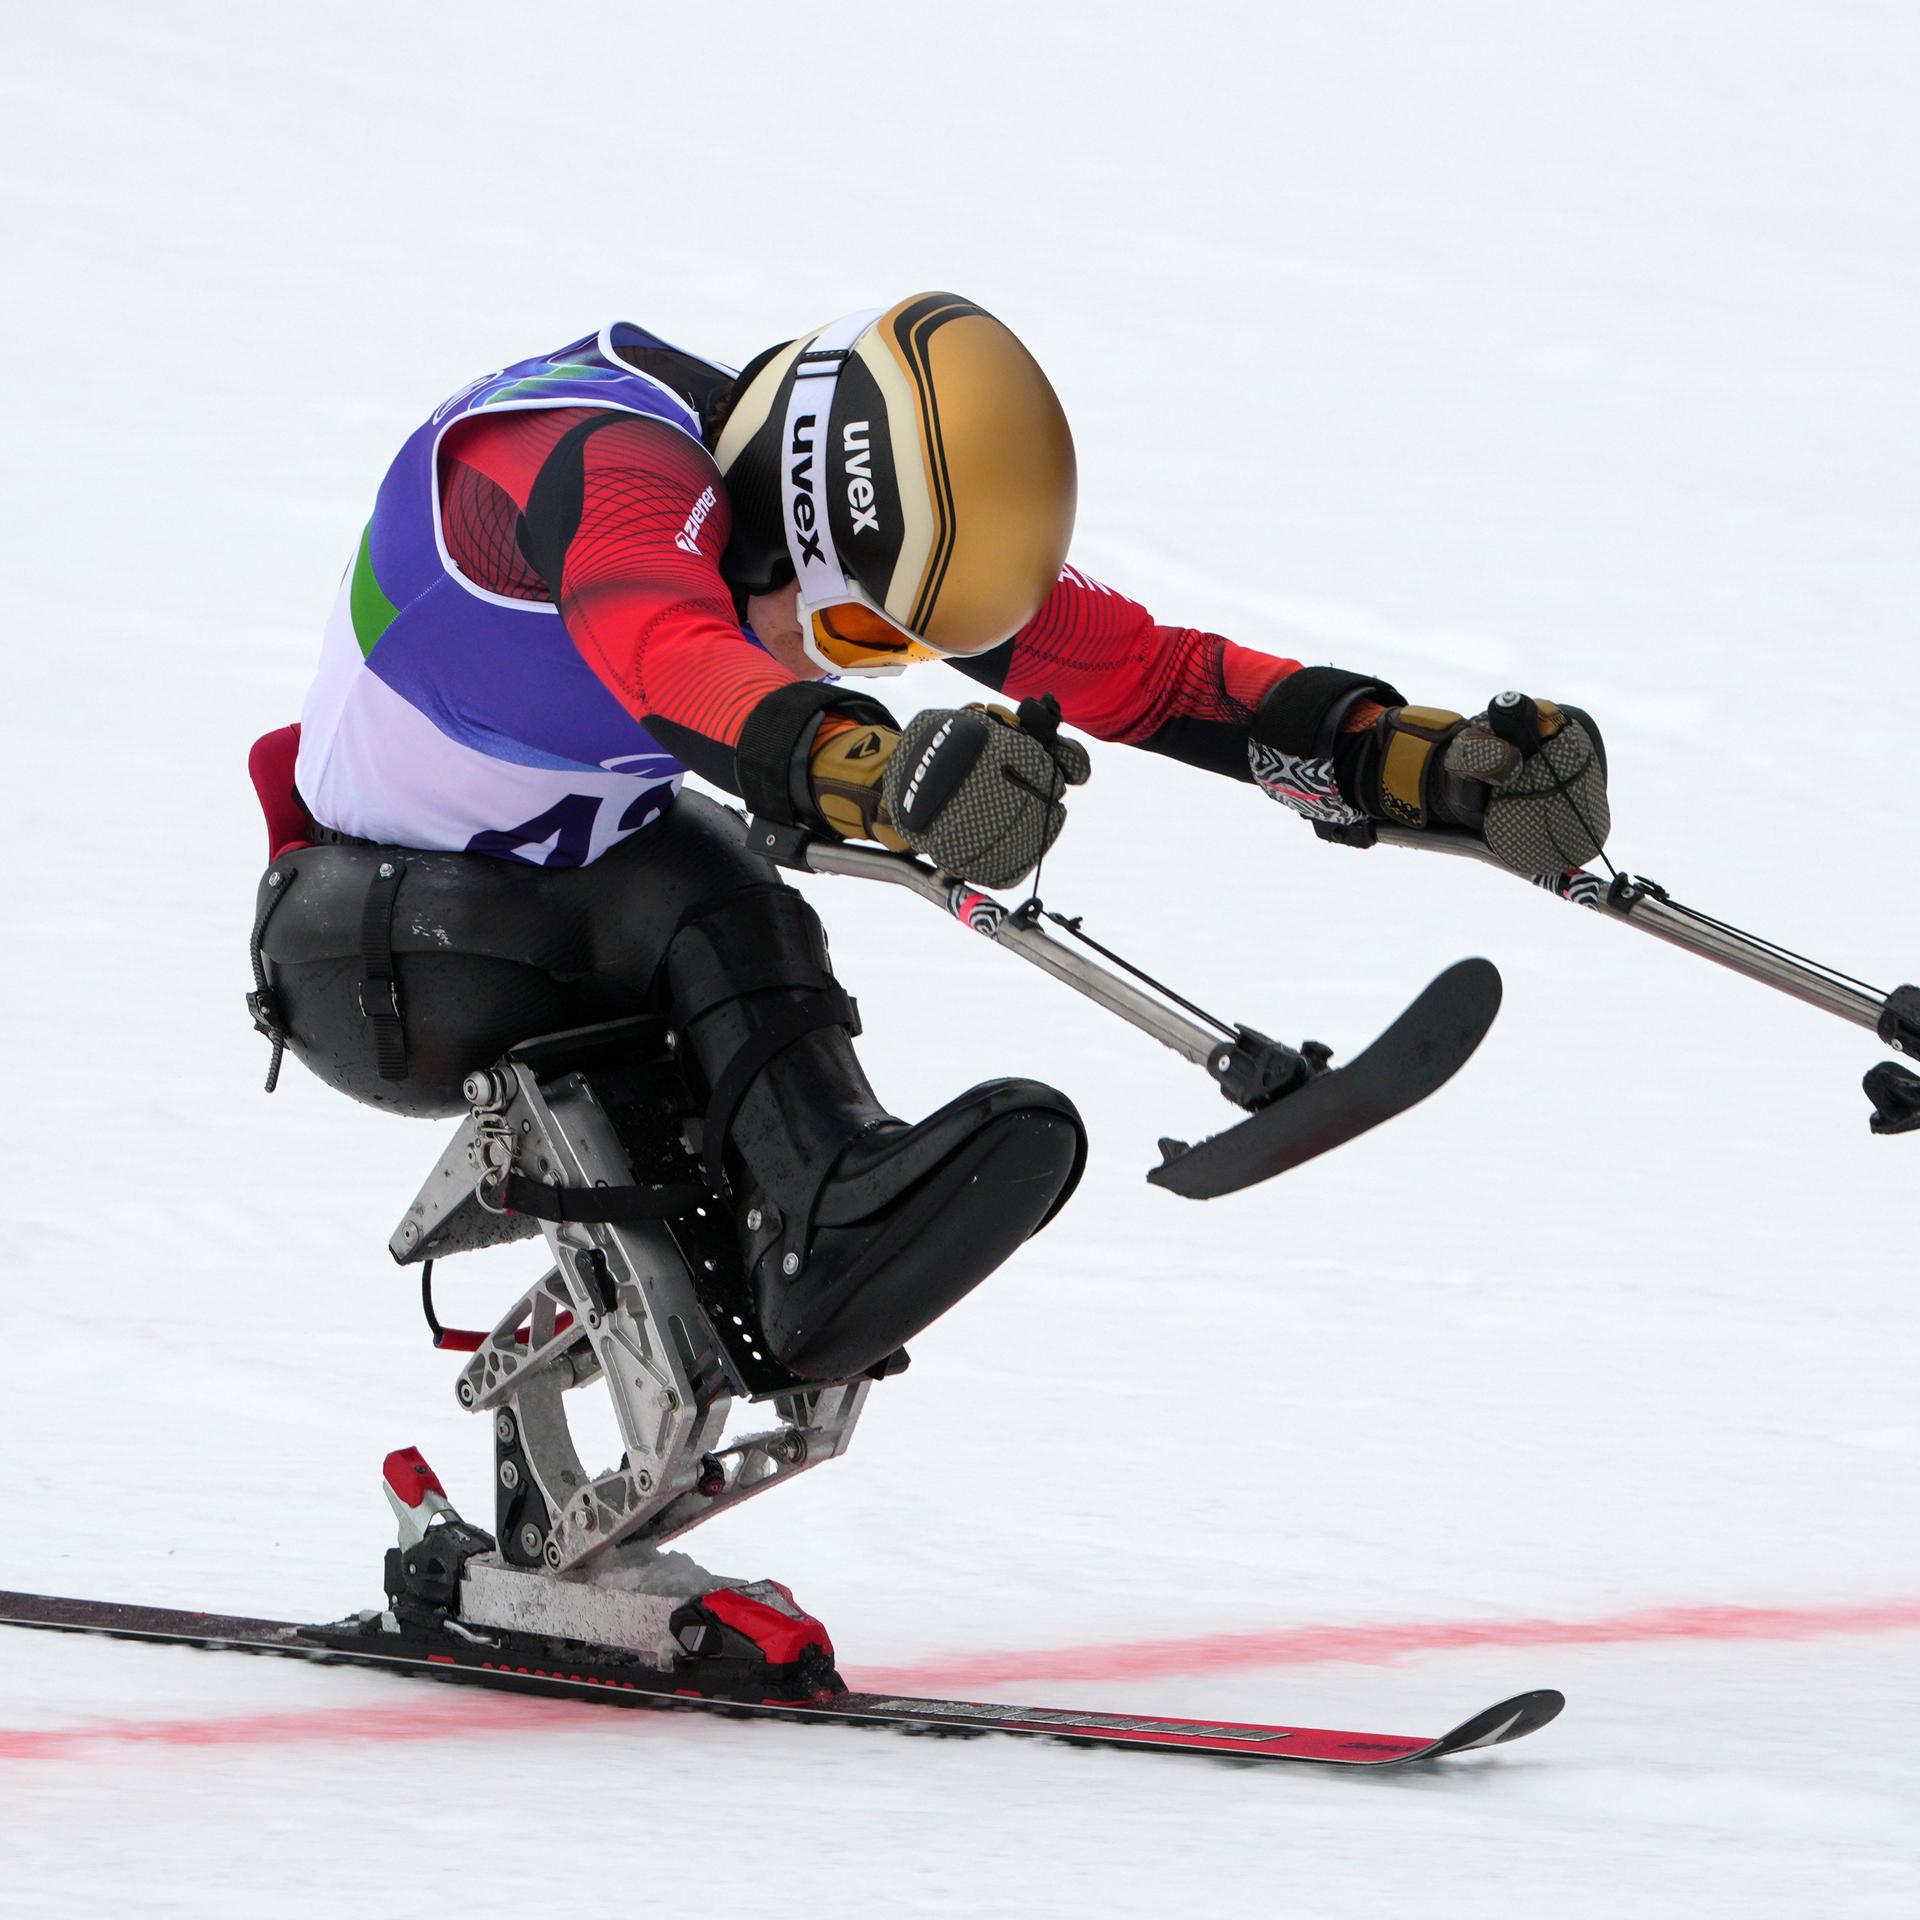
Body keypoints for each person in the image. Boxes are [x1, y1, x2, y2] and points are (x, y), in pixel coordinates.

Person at [249, 292, 1608, 1383]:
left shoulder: (794, 511)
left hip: (551, 925)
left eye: (899, 648)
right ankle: (823, 1235)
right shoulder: (601, 464)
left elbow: (1139, 673)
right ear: (782, 527)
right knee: (705, 880)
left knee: (700, 877)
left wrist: (1403, 757)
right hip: (378, 949)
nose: (864, 662)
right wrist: (870, 769)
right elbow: (661, 643)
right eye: (856, 633)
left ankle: (798, 1240)